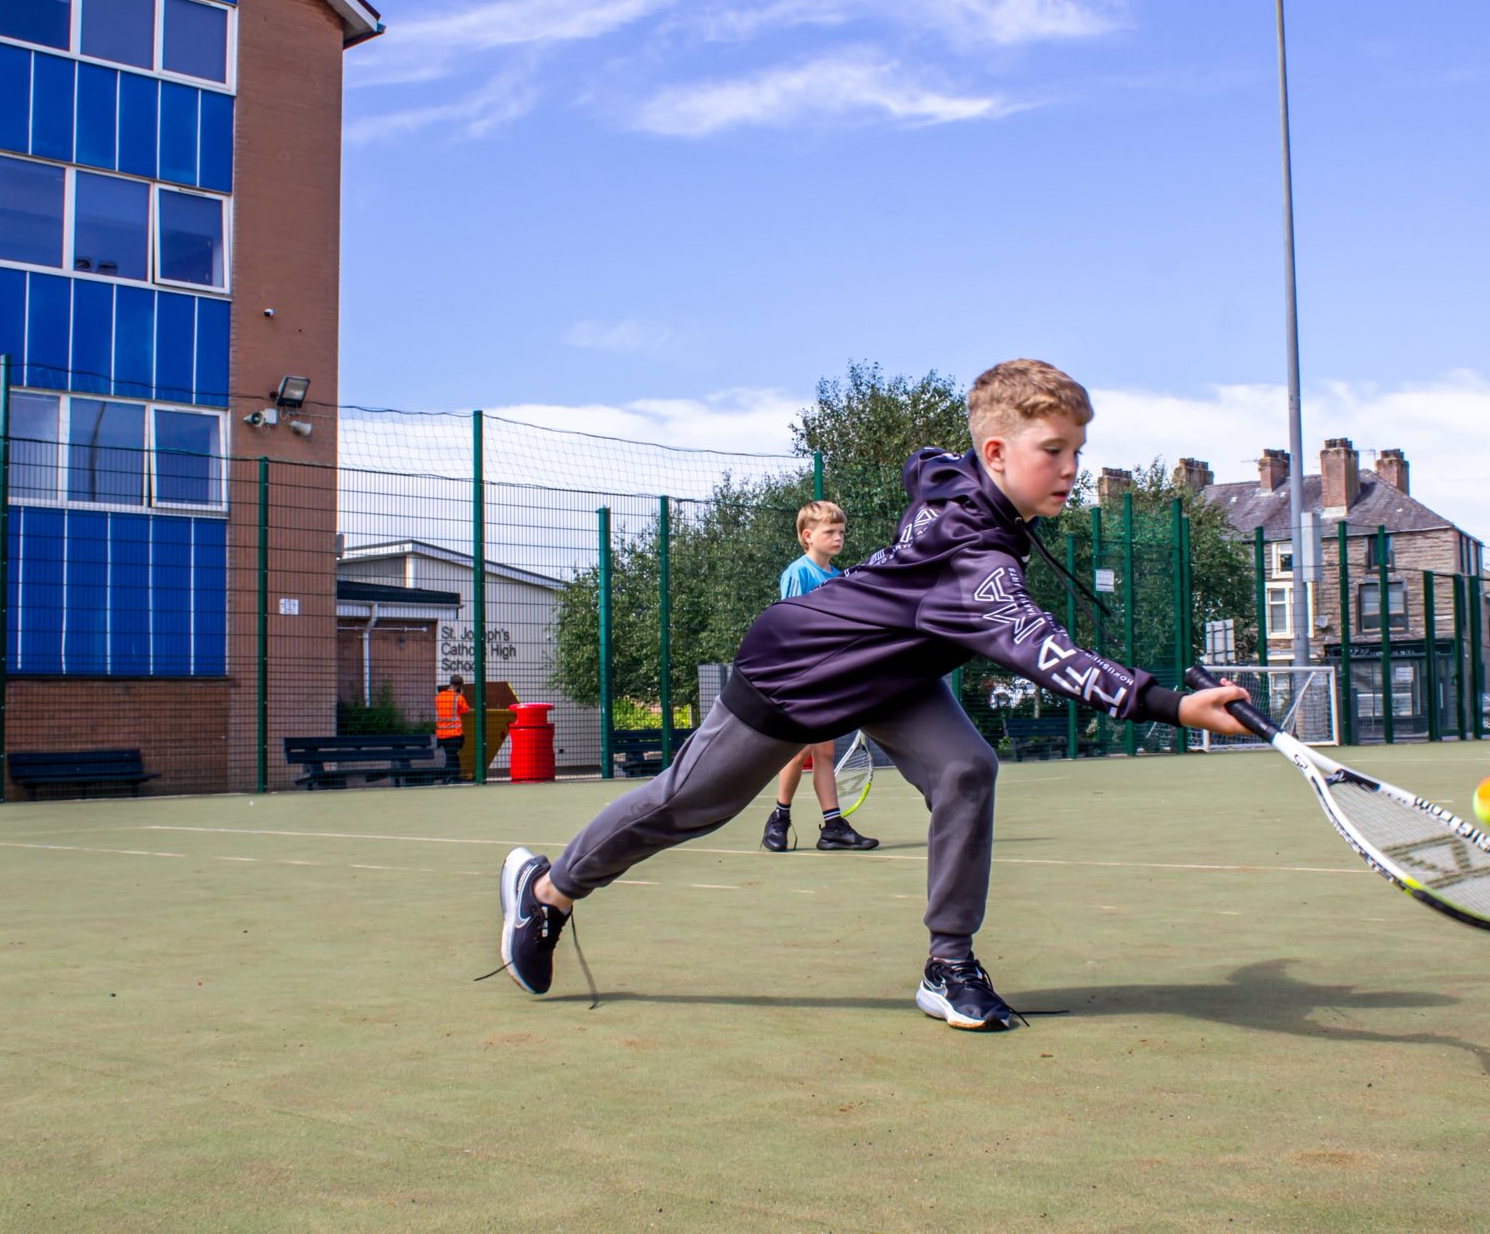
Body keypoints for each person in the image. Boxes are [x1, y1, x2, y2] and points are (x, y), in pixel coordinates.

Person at [499, 359, 1249, 1030]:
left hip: (894, 677)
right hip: (797, 670)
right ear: (995, 454)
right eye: (1052, 451)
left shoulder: (959, 483)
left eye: (1075, 450)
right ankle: (549, 893)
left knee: (964, 768)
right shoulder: (973, 558)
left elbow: (923, 466)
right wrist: (1171, 706)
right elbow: (1042, 651)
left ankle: (947, 966)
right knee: (687, 806)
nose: (1070, 468)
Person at [761, 500, 879, 853]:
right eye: (830, 531)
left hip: (827, 678)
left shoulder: (839, 577)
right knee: (798, 753)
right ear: (807, 536)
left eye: (841, 531)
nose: (838, 537)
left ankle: (831, 827)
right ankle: (781, 819)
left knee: (823, 752)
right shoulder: (799, 573)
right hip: (801, 678)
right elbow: (792, 627)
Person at [434, 674, 471, 777]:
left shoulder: (438, 697)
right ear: (459, 686)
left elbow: (443, 711)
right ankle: (452, 778)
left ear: (450, 683)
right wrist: (462, 696)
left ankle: (449, 777)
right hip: (453, 734)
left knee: (450, 756)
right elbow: (466, 711)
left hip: (441, 734)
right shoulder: (458, 697)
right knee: (453, 757)